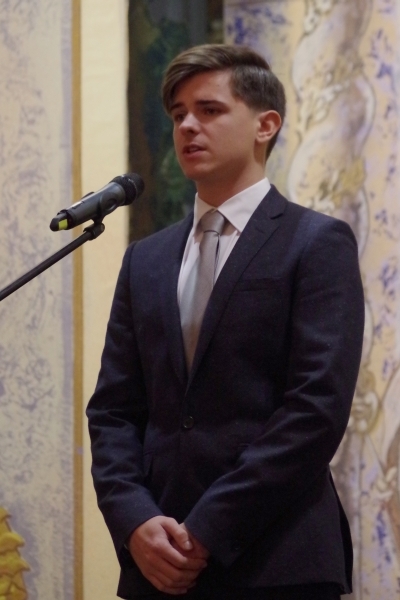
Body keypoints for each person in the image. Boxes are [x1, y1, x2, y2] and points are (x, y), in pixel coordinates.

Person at [87, 44, 364, 600]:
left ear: (266, 125)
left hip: (278, 559)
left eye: (209, 110)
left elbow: (315, 409)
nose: (188, 126)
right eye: (178, 114)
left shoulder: (316, 242)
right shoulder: (146, 259)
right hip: (158, 562)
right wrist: (136, 521)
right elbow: (114, 411)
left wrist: (208, 529)